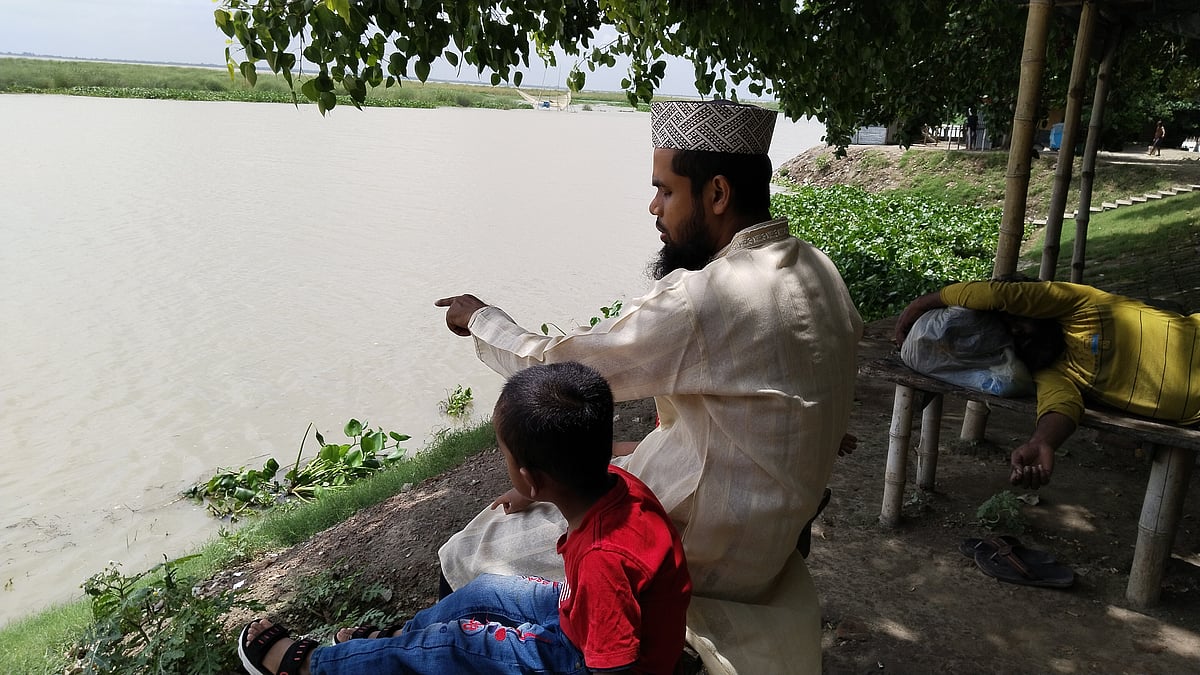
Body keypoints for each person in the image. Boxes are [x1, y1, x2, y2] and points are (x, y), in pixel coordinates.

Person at [434, 100, 862, 673]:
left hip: (703, 550)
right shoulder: (817, 270)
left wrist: (483, 321)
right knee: (560, 489)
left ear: (716, 193)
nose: (654, 207)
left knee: (471, 550)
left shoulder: (711, 298)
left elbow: (563, 367)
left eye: (665, 190)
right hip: (769, 534)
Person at [236, 362, 692, 675]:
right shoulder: (617, 484)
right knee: (486, 590)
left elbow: (613, 665)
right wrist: (530, 492)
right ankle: (401, 638)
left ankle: (310, 666)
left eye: (505, 455)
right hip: (582, 615)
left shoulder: (602, 560)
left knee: (459, 646)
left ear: (533, 477)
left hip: (580, 657)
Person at [894, 280, 1200, 489]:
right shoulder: (1054, 373)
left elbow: (997, 295)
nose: (1017, 333)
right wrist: (1042, 442)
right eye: (1007, 336)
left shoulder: (1079, 305)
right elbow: (1061, 406)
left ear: (1034, 307)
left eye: (1015, 320)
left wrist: (920, 304)